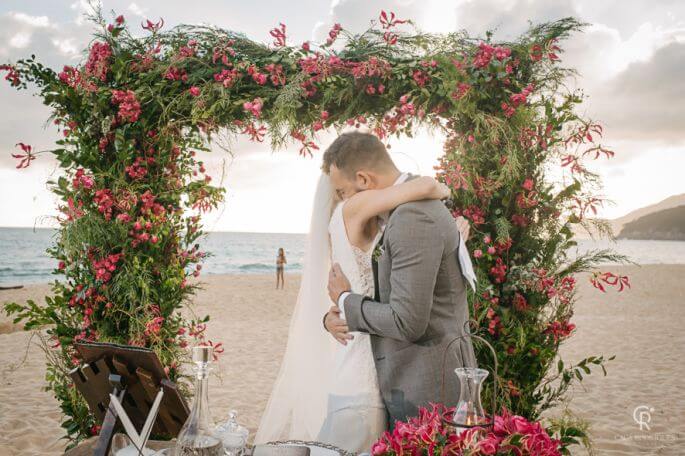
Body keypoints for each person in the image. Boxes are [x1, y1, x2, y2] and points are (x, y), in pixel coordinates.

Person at [255, 131, 476, 453]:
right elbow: (426, 186)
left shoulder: (404, 216)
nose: (343, 197)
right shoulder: (358, 208)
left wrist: (343, 306)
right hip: (371, 361)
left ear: (362, 178)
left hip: (389, 363)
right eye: (340, 193)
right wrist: (440, 190)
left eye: (343, 190)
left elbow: (400, 286)